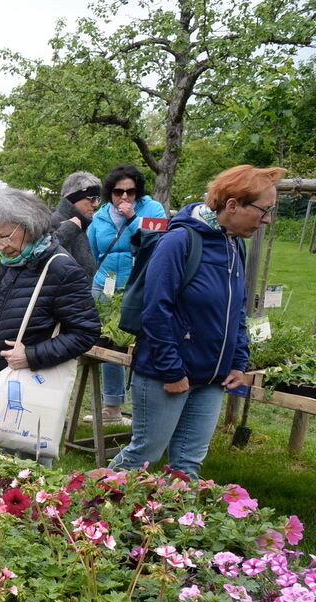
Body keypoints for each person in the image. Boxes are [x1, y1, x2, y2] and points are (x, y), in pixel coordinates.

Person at [110, 165, 283, 476]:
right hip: (168, 374)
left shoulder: (234, 244)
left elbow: (237, 308)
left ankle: (176, 523)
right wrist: (171, 370)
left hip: (212, 379)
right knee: (143, 456)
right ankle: (89, 514)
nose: (267, 219)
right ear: (232, 205)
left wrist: (238, 361)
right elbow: (156, 311)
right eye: (264, 210)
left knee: (187, 466)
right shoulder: (179, 241)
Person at [0, 188, 100, 414]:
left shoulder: (62, 268)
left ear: (29, 225)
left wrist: (31, 355)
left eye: (4, 236)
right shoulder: (10, 263)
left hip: (29, 389)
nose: (1, 246)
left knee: (19, 447)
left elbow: (86, 333)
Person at [87, 165, 168, 424]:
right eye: (118, 191)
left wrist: (132, 218)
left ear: (138, 192)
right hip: (105, 285)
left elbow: (157, 242)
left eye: (130, 191)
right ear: (109, 192)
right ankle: (112, 407)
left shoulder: (152, 210)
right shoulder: (100, 217)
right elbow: (92, 250)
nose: (124, 197)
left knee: (140, 345)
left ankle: (146, 410)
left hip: (138, 288)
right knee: (109, 343)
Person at [49, 171, 101, 277]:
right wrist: (67, 230)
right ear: (74, 198)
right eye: (92, 199)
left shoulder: (81, 222)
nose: (95, 205)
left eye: (98, 199)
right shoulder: (52, 222)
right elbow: (43, 257)